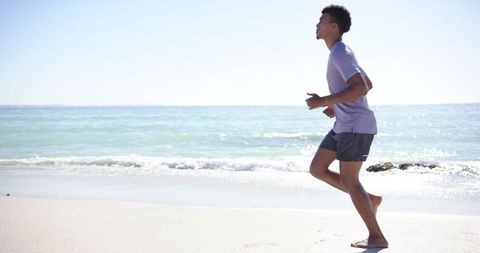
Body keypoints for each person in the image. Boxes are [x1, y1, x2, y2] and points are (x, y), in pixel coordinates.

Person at [305, 5, 389, 249]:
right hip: (344, 124)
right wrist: (336, 106)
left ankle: (377, 236)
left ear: (334, 27)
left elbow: (361, 88)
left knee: (351, 182)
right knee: (317, 168)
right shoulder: (341, 53)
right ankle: (369, 199)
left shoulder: (341, 52)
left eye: (322, 20)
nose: (317, 24)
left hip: (355, 127)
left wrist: (324, 101)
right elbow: (368, 84)